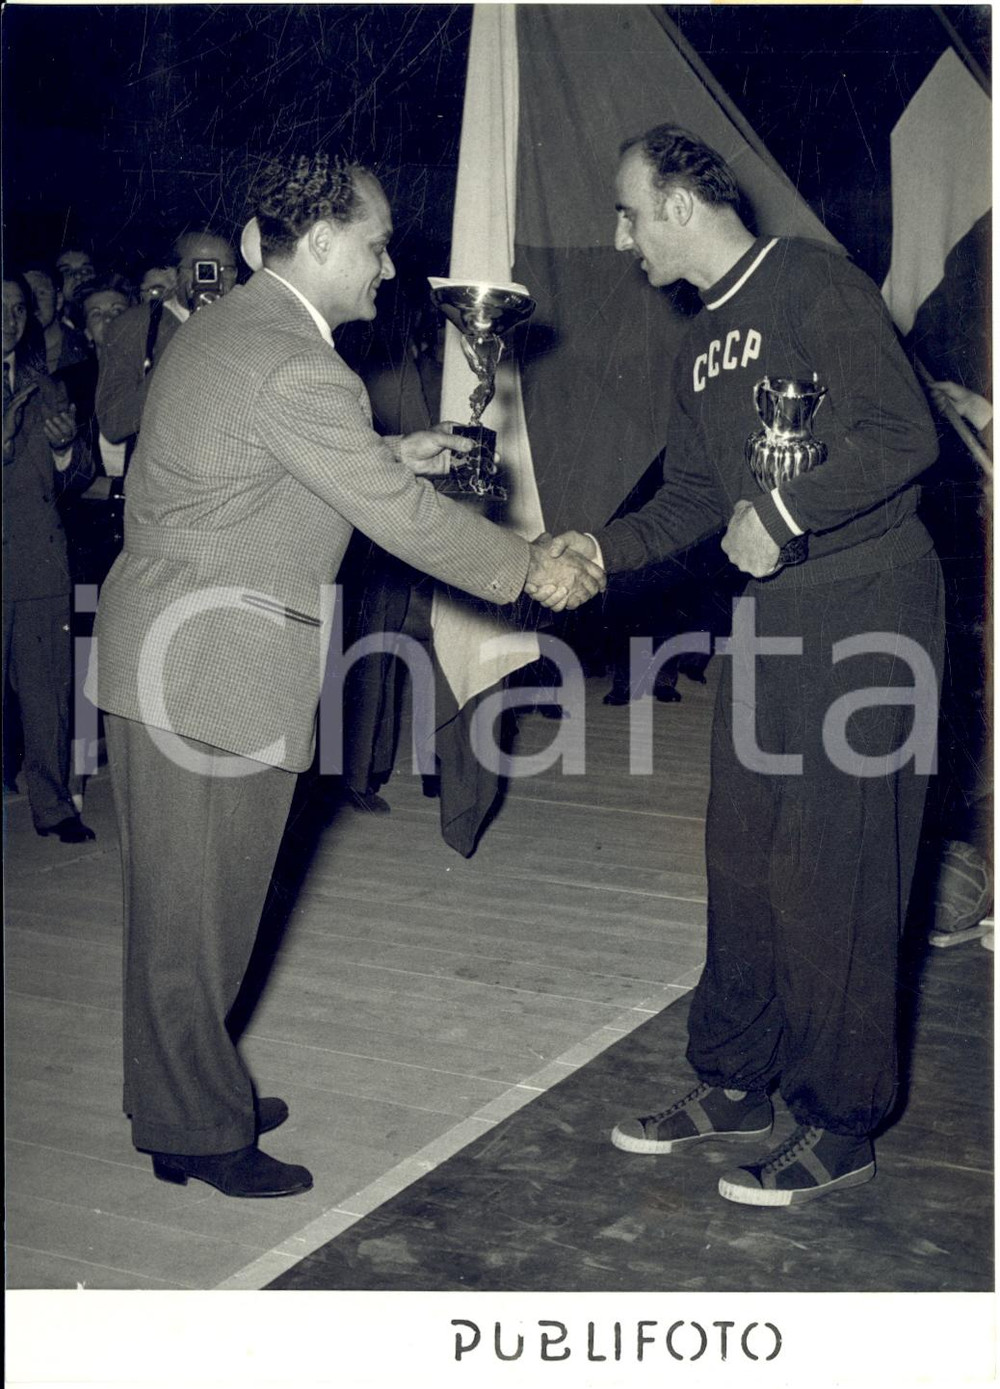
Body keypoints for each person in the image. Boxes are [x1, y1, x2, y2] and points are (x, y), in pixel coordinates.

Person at [87, 150, 602, 1199]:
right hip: (212, 673)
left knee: (178, 915)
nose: (387, 265)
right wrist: (526, 570)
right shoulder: (297, 364)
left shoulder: (233, 328)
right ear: (320, 243)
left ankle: (182, 1096)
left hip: (169, 657)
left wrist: (389, 452)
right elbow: (402, 521)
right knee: (201, 924)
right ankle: (196, 1128)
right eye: (376, 245)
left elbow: (253, 458)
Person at [545, 125, 944, 1207]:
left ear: (679, 204)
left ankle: (840, 1121)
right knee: (744, 856)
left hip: (869, 606)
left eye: (628, 212)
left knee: (836, 871)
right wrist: (599, 548)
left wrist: (782, 513)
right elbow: (691, 497)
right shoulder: (697, 346)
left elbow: (902, 433)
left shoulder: (814, 281)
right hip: (769, 617)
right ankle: (735, 1078)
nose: (619, 237)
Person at [3, 271, 96, 841]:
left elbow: (79, 475)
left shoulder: (48, 388)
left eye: (18, 308)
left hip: (38, 561)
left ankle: (54, 804)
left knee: (47, 694)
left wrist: (65, 450)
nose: (10, 319)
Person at [95, 230, 239, 452]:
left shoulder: (248, 321)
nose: (214, 279)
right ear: (173, 276)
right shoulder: (134, 325)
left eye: (226, 269)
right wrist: (184, 351)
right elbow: (113, 423)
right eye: (203, 268)